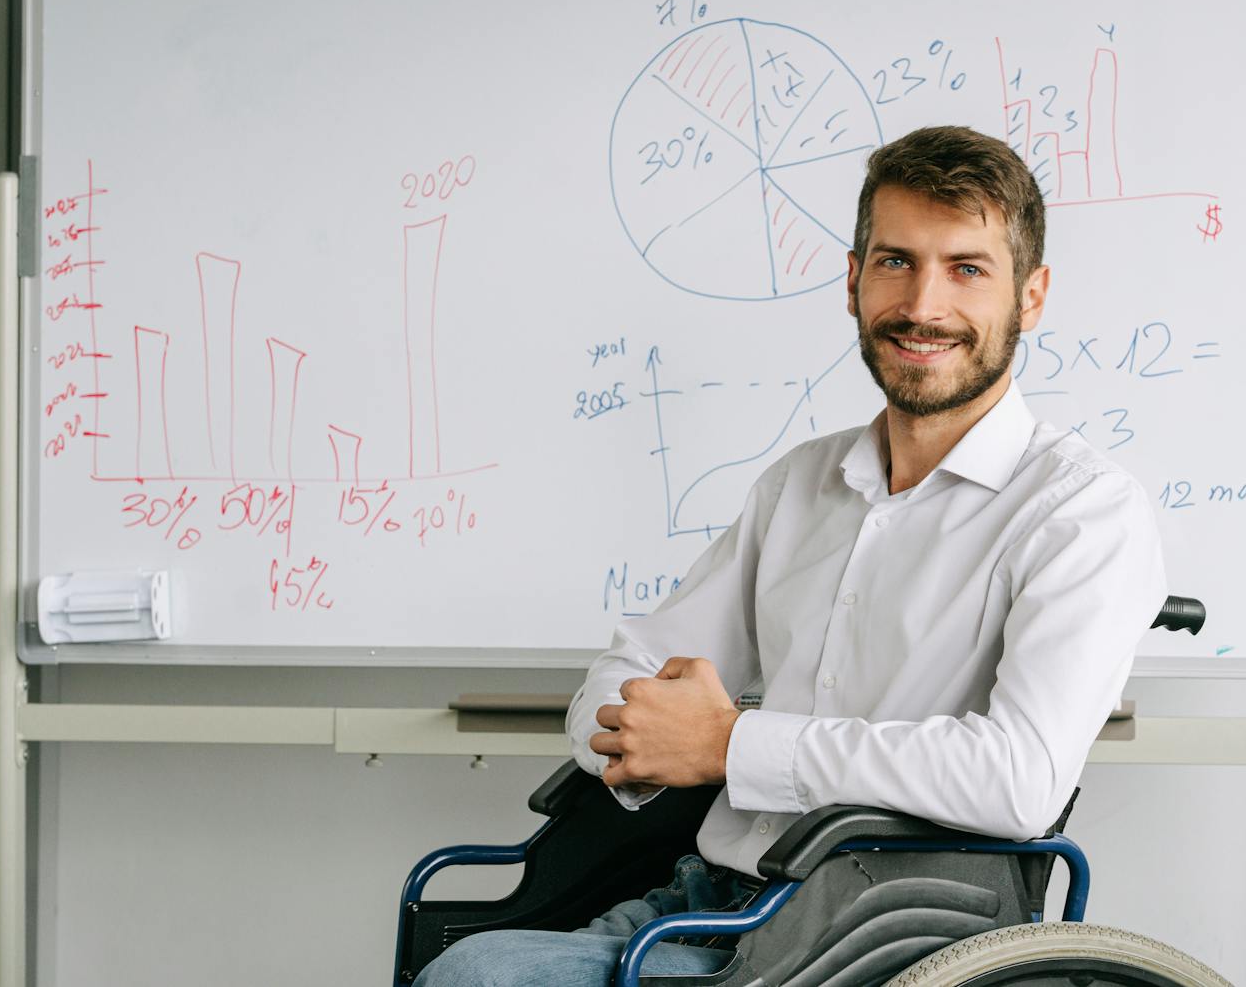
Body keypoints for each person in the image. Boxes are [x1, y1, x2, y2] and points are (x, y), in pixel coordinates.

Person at [418, 126, 1167, 987]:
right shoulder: (801, 485)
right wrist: (645, 736)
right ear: (852, 282)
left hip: (875, 932)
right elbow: (624, 674)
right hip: (705, 897)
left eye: (967, 269)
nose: (923, 307)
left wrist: (732, 743)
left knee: (477, 981)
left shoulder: (1081, 512)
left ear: (1029, 297)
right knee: (467, 958)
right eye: (895, 262)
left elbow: (1018, 780)